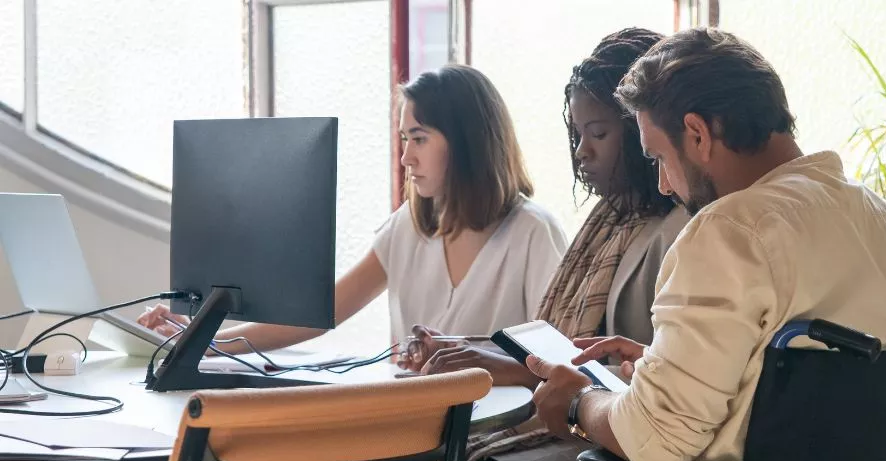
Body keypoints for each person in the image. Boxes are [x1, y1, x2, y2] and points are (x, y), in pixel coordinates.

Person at [459, 28, 886, 461]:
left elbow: (655, 442)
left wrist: (576, 404)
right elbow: (792, 388)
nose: (663, 182)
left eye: (660, 157)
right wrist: (659, 365)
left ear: (696, 133)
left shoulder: (729, 232)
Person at [411, 28, 690, 461]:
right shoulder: (611, 219)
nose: (583, 151)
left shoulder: (678, 231)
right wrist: (471, 349)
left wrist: (521, 372)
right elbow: (563, 342)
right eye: (578, 134)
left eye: (599, 134)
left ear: (646, 128)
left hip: (612, 450)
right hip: (582, 429)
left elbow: (645, 382)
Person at [138, 65, 568, 358]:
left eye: (419, 139)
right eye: (404, 140)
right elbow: (320, 315)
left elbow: (555, 358)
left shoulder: (532, 232)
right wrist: (199, 341)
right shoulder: (409, 228)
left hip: (494, 433)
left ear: (468, 141)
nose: (406, 159)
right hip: (420, 426)